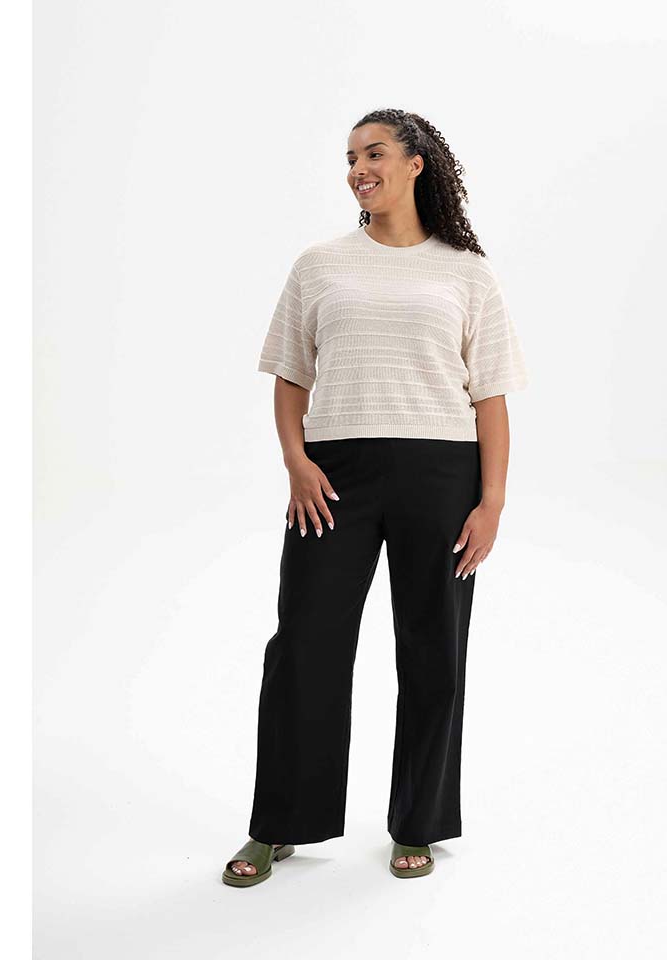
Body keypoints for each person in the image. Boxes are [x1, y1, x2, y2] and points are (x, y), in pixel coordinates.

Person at [222, 108, 529, 887]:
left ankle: (418, 823)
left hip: (442, 473)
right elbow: (290, 375)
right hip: (334, 477)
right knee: (304, 647)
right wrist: (296, 461)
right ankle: (278, 824)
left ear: (417, 163)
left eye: (375, 152)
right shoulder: (320, 264)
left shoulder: (467, 271)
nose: (359, 168)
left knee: (434, 651)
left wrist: (491, 502)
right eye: (351, 157)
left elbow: (491, 395)